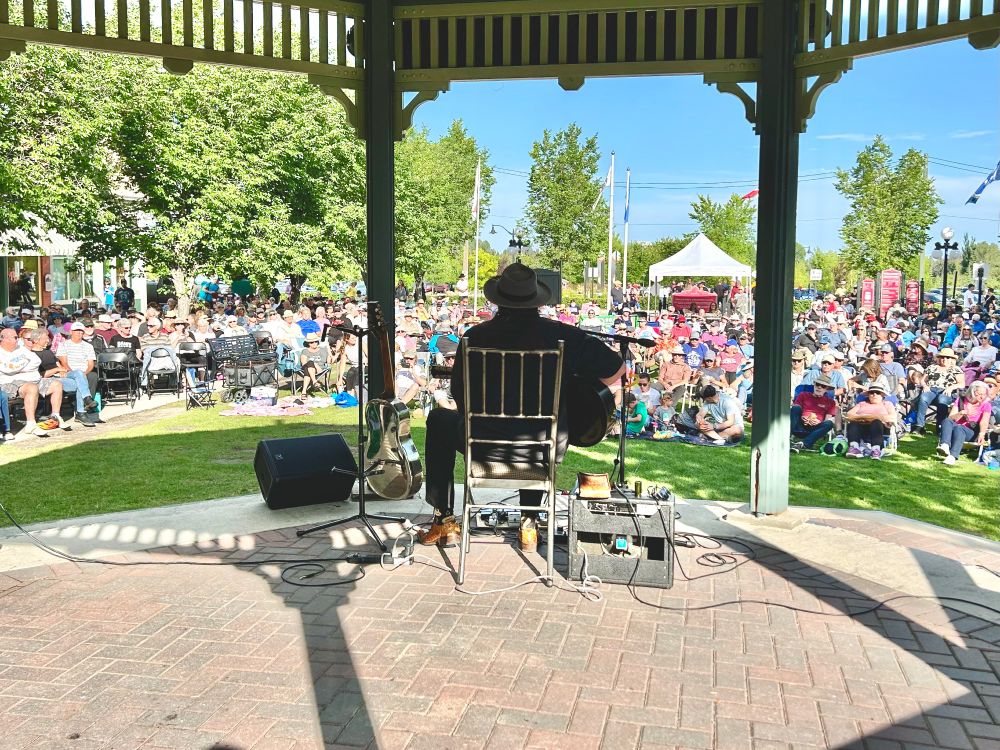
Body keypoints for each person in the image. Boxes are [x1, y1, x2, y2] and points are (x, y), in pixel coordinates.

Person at [419, 263, 625, 550]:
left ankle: (444, 520)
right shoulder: (565, 336)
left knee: (438, 420)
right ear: (536, 301)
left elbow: (459, 394)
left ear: (498, 300)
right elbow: (617, 370)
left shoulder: (475, 337)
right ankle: (529, 523)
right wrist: (573, 383)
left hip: (481, 446)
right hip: (541, 448)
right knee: (535, 428)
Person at [937, 381, 993, 466]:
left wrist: (982, 434)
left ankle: (952, 456)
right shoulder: (961, 400)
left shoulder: (986, 405)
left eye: (984, 394)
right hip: (956, 428)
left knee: (959, 428)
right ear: (972, 392)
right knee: (946, 421)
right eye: (979, 394)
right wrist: (961, 413)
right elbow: (951, 417)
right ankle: (945, 445)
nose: (982, 396)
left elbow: (984, 421)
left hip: (972, 431)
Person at [912, 348, 965, 435]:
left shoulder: (956, 369)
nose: (944, 359)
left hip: (946, 391)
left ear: (952, 359)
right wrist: (925, 386)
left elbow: (962, 384)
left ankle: (940, 426)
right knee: (923, 397)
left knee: (942, 400)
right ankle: (919, 425)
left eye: (947, 357)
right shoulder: (932, 367)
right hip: (931, 389)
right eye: (942, 357)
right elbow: (922, 380)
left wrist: (951, 387)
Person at [56, 322, 100, 418]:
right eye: (77, 330)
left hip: (84, 371)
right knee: (79, 375)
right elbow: (64, 363)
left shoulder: (88, 346)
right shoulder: (63, 345)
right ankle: (87, 400)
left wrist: (84, 373)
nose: (79, 333)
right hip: (69, 372)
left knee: (92, 376)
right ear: (71, 332)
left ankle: (86, 404)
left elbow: (91, 364)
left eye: (81, 331)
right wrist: (78, 374)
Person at [844, 381, 896, 459]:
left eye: (877, 392)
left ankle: (876, 450)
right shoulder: (862, 404)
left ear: (882, 395)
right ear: (868, 394)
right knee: (853, 423)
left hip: (879, 429)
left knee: (876, 422)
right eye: (872, 392)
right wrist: (875, 417)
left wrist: (863, 417)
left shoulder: (887, 404)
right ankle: (854, 448)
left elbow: (892, 417)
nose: (874, 394)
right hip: (861, 428)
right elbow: (849, 415)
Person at [680, 384, 744, 445]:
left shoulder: (727, 402)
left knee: (736, 430)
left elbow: (730, 422)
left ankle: (711, 437)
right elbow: (700, 414)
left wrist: (714, 426)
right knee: (698, 424)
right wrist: (700, 419)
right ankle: (719, 438)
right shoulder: (708, 402)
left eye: (704, 398)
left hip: (732, 427)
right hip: (719, 427)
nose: (704, 400)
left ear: (709, 398)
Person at [790, 375, 837, 451]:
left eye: (823, 386)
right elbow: (796, 409)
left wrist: (818, 422)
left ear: (827, 389)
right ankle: (796, 441)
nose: (819, 387)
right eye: (817, 384)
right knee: (795, 408)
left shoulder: (830, 402)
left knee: (829, 423)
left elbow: (827, 420)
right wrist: (802, 417)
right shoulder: (803, 395)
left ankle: (802, 444)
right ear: (814, 385)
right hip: (799, 426)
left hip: (815, 429)